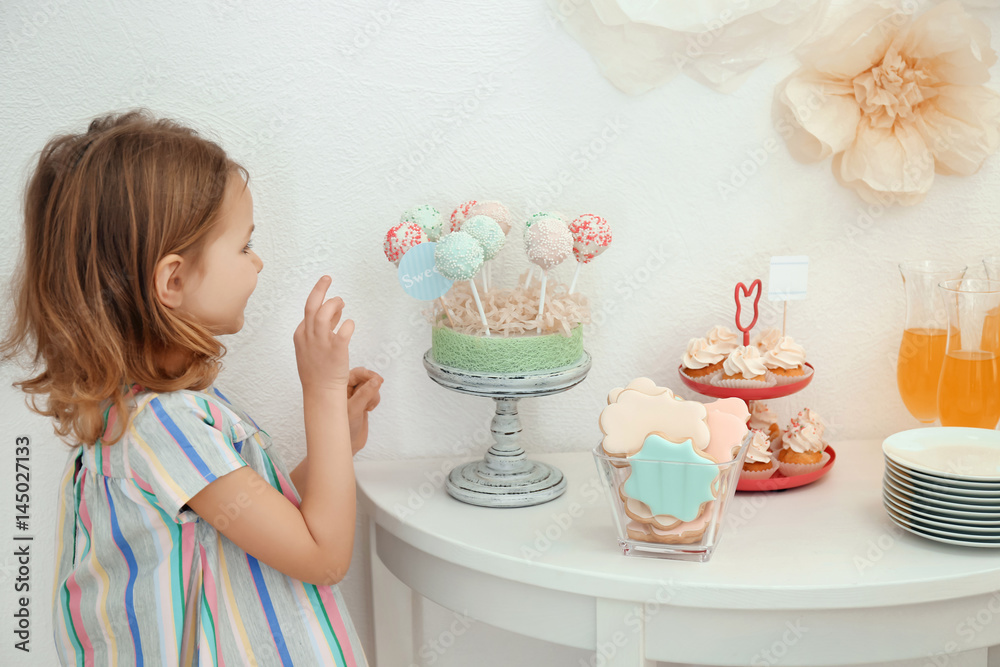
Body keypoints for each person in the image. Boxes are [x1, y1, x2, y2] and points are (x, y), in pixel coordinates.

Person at [0, 110, 382, 666]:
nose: (258, 263)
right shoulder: (166, 424)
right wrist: (320, 392)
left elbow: (243, 523)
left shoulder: (140, 414)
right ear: (173, 280)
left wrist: (336, 447)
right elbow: (323, 557)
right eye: (244, 246)